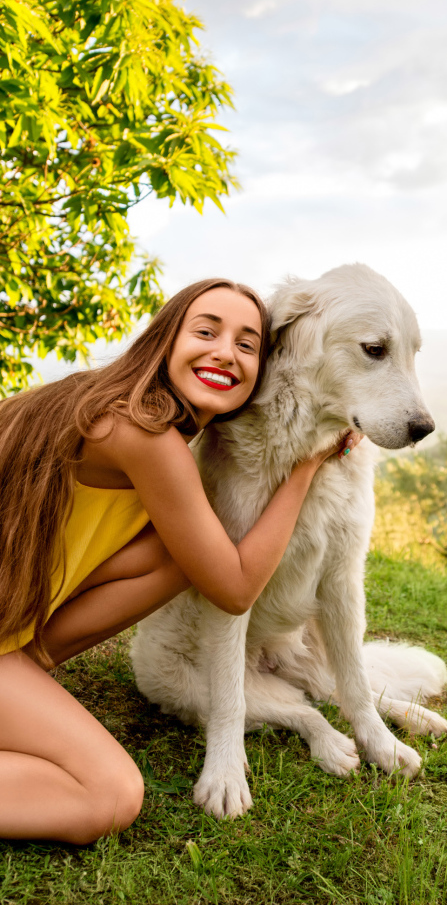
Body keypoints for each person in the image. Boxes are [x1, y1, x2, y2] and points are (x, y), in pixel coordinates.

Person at [0, 278, 359, 844]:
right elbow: (236, 588)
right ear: (165, 340)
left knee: (179, 554)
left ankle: (26, 667)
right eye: (206, 331)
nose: (226, 352)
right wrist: (306, 467)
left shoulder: (119, 410)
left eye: (247, 345)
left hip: (11, 638)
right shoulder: (141, 434)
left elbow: (210, 565)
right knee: (109, 795)